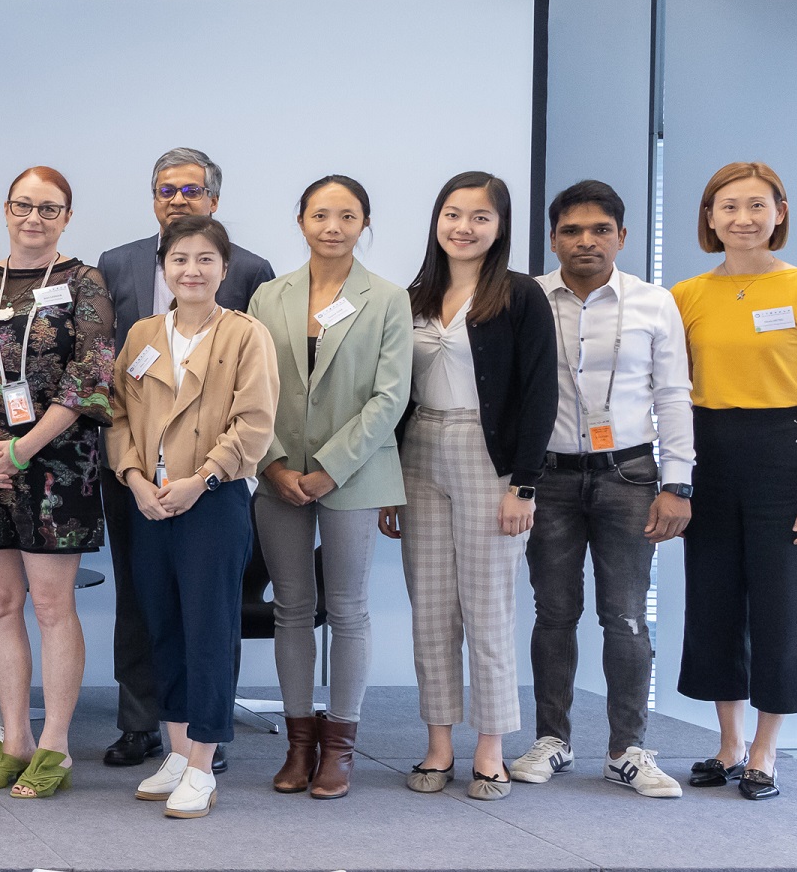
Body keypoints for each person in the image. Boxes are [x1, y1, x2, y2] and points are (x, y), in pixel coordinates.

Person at [92, 148, 276, 772]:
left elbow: (254, 422)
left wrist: (202, 480)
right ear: (162, 266)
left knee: (208, 627)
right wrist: (136, 479)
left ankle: (204, 755)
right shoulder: (142, 333)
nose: (190, 270)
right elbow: (115, 411)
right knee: (157, 623)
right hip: (146, 497)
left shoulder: (246, 330)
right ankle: (169, 748)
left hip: (210, 496)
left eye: (204, 260)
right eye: (179, 260)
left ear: (225, 267)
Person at [0, 167, 116, 801]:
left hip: (55, 468)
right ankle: (13, 739)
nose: (33, 218)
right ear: (4, 211)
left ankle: (56, 743)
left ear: (66, 215)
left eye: (48, 208)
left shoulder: (84, 282)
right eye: (22, 206)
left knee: (50, 607)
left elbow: (88, 380)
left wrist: (20, 450)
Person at [508, 181, 693, 799]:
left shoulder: (653, 302)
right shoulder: (527, 297)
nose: (585, 241)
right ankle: (552, 739)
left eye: (599, 230)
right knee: (554, 613)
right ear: (554, 237)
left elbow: (672, 396)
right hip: (550, 478)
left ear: (620, 235)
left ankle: (627, 750)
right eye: (571, 231)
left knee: (626, 617)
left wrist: (678, 483)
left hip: (631, 475)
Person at [671, 161, 797, 802]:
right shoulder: (685, 296)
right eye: (728, 207)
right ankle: (728, 742)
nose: (742, 219)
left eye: (755, 206)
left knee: (781, 601)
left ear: (779, 214)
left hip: (784, 450)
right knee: (713, 595)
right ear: (709, 218)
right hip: (707, 450)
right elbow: (670, 390)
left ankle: (766, 751)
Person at [385, 172, 555, 801]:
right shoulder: (412, 296)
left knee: (486, 606)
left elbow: (542, 395)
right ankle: (438, 743)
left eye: (480, 217)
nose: (464, 227)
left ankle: (490, 746)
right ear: (437, 220)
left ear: (501, 226)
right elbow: (391, 394)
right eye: (453, 214)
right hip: (419, 453)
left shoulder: (519, 296)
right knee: (429, 606)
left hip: (491, 461)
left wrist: (525, 486)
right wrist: (387, 480)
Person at [244, 174, 411, 801]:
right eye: (321, 214)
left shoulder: (389, 299)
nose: (333, 226)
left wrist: (332, 466)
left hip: (357, 473)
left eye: (347, 215)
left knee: (347, 610)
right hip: (277, 472)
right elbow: (251, 388)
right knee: (291, 608)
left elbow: (390, 396)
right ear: (302, 221)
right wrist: (276, 464)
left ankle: (339, 749)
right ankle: (298, 744)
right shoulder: (269, 296)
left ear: (364, 223)